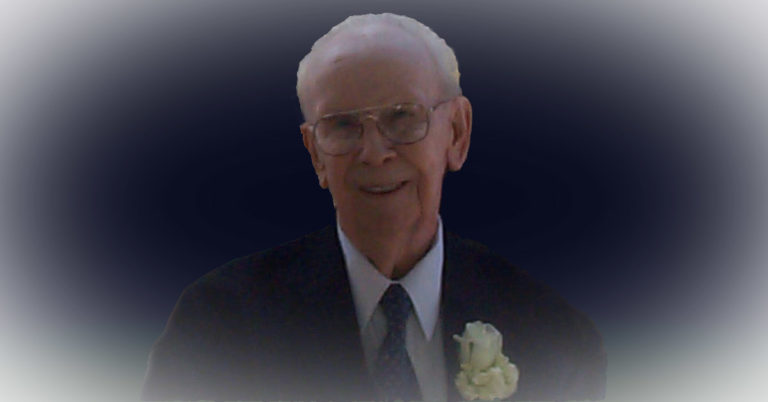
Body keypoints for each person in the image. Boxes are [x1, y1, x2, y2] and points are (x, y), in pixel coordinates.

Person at [141, 13, 606, 401]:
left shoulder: (555, 338)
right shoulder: (218, 328)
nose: (374, 152)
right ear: (315, 155)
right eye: (342, 126)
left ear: (457, 133)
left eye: (402, 117)